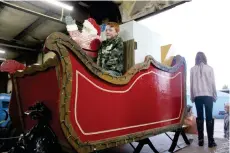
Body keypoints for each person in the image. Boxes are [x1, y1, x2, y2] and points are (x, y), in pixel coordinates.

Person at [190, 52, 217, 148]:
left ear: (196, 58)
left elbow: (191, 84)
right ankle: (210, 141)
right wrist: (214, 95)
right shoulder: (210, 69)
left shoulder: (192, 70)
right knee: (209, 117)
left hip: (198, 96)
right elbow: (213, 83)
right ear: (205, 58)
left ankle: (200, 141)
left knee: (200, 117)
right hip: (208, 95)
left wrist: (192, 97)